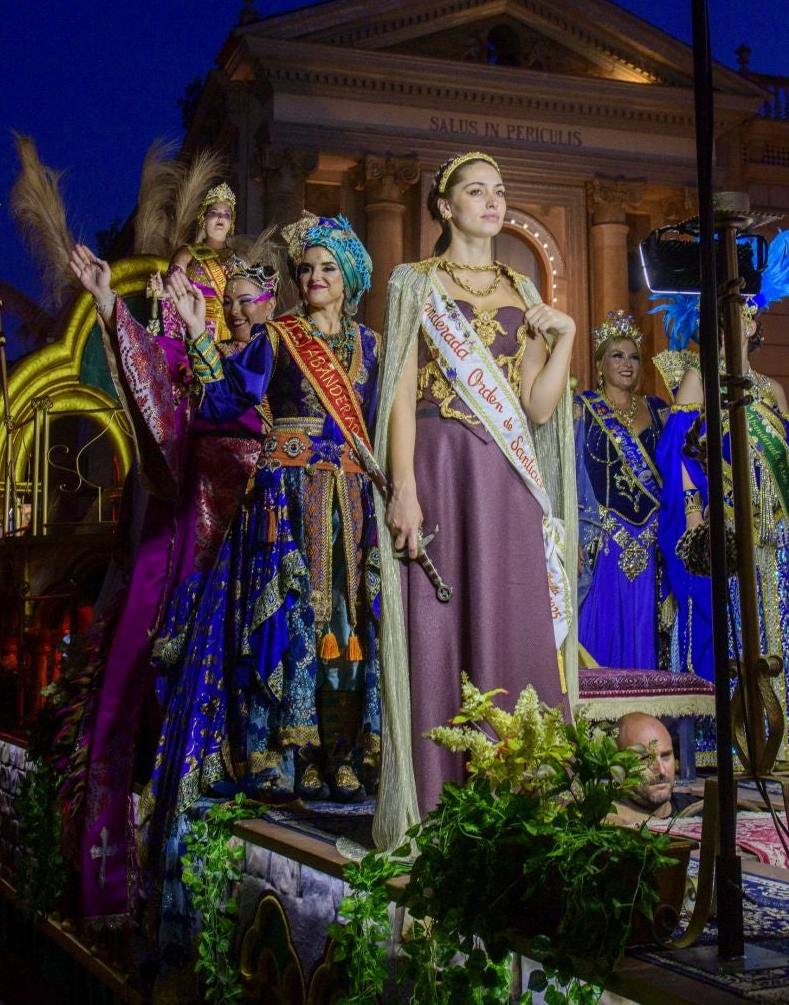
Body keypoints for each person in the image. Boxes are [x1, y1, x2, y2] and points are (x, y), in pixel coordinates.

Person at [65, 242, 277, 923]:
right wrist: (110, 306)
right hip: (196, 548)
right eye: (229, 299)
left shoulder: (292, 356)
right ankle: (160, 870)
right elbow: (154, 386)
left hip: (276, 546)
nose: (240, 309)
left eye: (248, 297)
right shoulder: (188, 364)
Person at [372, 152, 578, 846]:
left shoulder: (523, 287)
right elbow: (399, 390)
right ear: (445, 206)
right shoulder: (415, 283)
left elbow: (537, 410)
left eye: (499, 191)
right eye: (476, 191)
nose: (492, 202)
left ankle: (523, 792)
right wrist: (402, 486)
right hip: (437, 467)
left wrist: (565, 341)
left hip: (506, 476)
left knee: (509, 612)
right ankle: (439, 799)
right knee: (441, 617)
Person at [193, 214, 384, 799]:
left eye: (327, 267)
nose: (315, 276)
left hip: (351, 500)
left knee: (349, 624)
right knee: (293, 619)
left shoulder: (374, 347)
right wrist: (198, 337)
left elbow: (381, 428)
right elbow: (225, 399)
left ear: (349, 275)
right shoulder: (276, 337)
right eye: (305, 269)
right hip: (288, 503)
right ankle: (286, 753)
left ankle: (343, 752)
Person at [654, 226, 789, 767]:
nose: (741, 325)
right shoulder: (699, 384)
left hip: (777, 534)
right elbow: (677, 457)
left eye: (750, 317)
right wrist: (698, 520)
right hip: (728, 536)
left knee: (785, 635)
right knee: (730, 636)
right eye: (733, 316)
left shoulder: (773, 391)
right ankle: (727, 747)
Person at [574, 310, 668, 670]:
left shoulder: (659, 411)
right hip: (603, 541)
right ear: (600, 363)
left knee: (648, 633)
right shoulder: (582, 409)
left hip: (652, 543)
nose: (626, 364)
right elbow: (569, 477)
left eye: (633, 357)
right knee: (599, 632)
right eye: (617, 355)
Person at [165, 180, 239, 344]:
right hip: (199, 329)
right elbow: (173, 285)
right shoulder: (187, 253)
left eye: (226, 214)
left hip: (233, 330)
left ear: (231, 223)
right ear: (203, 219)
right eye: (214, 213)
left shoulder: (242, 258)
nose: (221, 217)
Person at [607, 712, 683, 827]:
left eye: (665, 756)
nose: (662, 771)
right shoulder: (601, 823)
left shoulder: (702, 812)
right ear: (616, 766)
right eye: (646, 759)